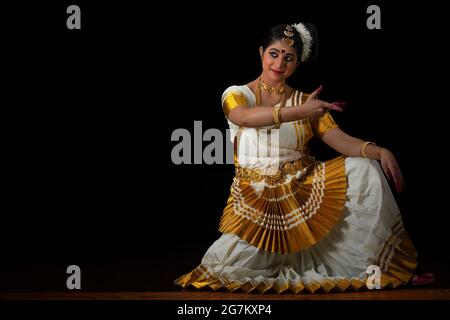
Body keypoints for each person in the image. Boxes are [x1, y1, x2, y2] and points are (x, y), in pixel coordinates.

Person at [174, 23, 434, 293]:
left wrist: (379, 151)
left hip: (303, 187)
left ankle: (387, 270)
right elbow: (243, 118)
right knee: (224, 269)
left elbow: (341, 140)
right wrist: (299, 112)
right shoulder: (238, 94)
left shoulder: (305, 101)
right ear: (261, 52)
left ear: (298, 62)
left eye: (289, 58)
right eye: (274, 53)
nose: (279, 63)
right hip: (256, 196)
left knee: (364, 168)